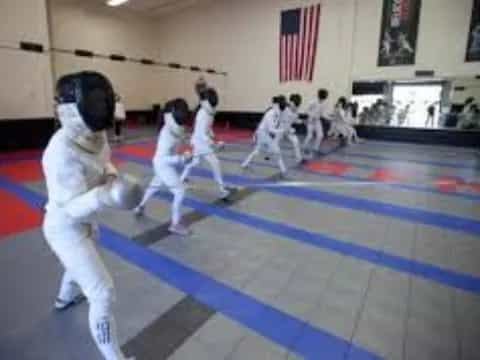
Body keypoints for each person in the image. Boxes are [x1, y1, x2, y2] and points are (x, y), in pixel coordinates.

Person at [42, 71, 142, 360]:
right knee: (102, 292)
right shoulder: (59, 152)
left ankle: (64, 298)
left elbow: (103, 163)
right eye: (95, 102)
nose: (101, 107)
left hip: (86, 222)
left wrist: (113, 177)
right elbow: (71, 207)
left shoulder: (96, 135)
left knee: (78, 265)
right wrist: (106, 195)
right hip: (64, 227)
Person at [134, 99, 192, 235]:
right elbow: (162, 159)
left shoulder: (177, 128)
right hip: (162, 165)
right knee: (180, 191)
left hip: (164, 165)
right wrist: (181, 158)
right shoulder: (166, 135)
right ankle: (175, 224)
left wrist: (188, 145)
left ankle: (139, 206)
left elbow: (182, 137)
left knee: (154, 186)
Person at [180, 87, 232, 199]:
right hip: (200, 143)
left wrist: (215, 138)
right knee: (215, 163)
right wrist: (215, 143)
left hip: (201, 142)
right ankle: (222, 189)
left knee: (195, 162)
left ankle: (181, 179)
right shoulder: (202, 114)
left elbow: (208, 129)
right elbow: (202, 134)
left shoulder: (210, 112)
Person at [241, 96, 288, 176]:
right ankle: (283, 170)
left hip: (263, 133)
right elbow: (271, 130)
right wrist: (283, 130)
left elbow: (274, 126)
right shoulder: (271, 113)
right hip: (263, 134)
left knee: (258, 151)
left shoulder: (277, 112)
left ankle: (244, 163)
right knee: (276, 150)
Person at [304, 89, 332, 153]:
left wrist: (330, 118)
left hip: (317, 121)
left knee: (320, 135)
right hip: (310, 120)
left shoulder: (324, 104)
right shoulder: (313, 102)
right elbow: (306, 110)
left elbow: (323, 114)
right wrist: (311, 115)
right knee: (310, 135)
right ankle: (304, 147)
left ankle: (315, 148)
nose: (324, 98)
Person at [280, 94, 304, 164]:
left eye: (296, 104)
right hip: (280, 129)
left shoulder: (296, 111)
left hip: (288, 130)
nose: (295, 106)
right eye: (293, 103)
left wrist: (303, 121)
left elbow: (295, 120)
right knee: (274, 144)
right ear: (291, 102)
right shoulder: (284, 109)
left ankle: (299, 159)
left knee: (295, 142)